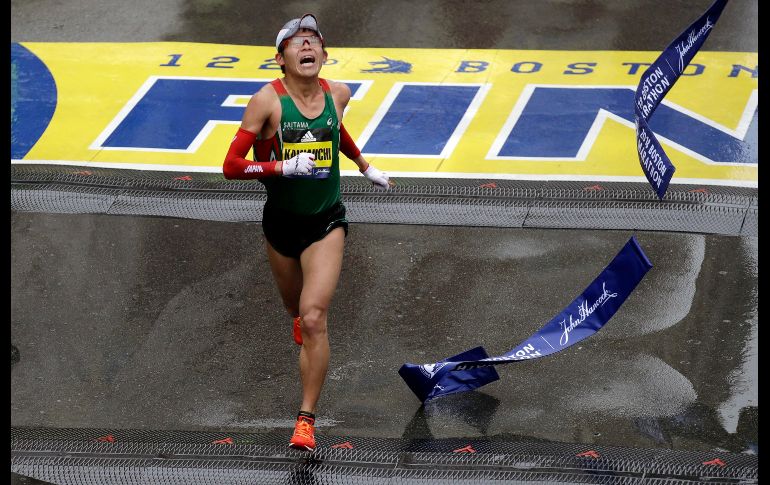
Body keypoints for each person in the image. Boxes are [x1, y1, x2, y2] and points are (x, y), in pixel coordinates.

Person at [222, 13, 392, 451]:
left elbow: (335, 131)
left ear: (324, 54)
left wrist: (364, 165)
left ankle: (305, 420)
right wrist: (282, 166)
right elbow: (231, 166)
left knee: (315, 317)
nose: (306, 46)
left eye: (313, 40)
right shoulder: (266, 102)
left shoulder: (339, 93)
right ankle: (299, 321)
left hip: (326, 221)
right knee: (295, 311)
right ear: (280, 59)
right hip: (280, 224)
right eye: (296, 42)